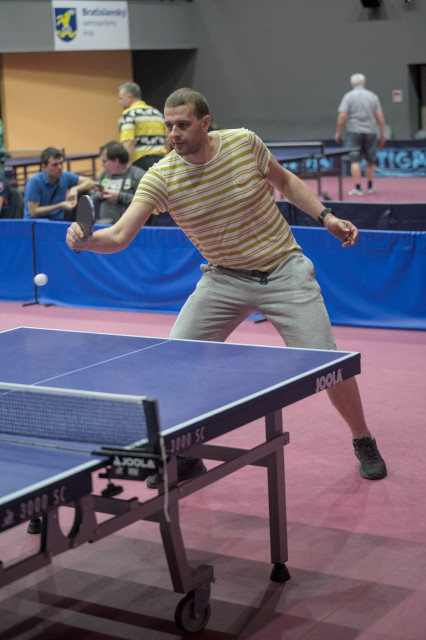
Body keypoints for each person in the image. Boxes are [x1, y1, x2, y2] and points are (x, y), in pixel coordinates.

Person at [67, 87, 387, 487]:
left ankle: (363, 439)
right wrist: (85, 241)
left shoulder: (244, 143)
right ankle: (187, 454)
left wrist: (327, 218)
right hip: (223, 278)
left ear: (204, 123)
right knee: (176, 358)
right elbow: (117, 236)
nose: (174, 133)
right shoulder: (161, 176)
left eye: (183, 124)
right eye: (169, 125)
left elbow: (286, 181)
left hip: (283, 270)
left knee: (328, 363)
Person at [335, 73, 387, 196]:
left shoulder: (348, 96)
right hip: (371, 132)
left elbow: (342, 116)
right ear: (364, 83)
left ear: (351, 84)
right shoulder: (373, 96)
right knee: (370, 161)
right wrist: (383, 134)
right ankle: (370, 186)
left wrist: (338, 132)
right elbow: (380, 116)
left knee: (355, 161)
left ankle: (358, 188)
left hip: (354, 133)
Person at [23, 147, 94, 221]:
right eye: (55, 165)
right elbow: (33, 212)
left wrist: (75, 189)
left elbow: (90, 182)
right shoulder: (34, 181)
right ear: (44, 166)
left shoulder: (65, 176)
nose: (60, 167)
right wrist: (60, 206)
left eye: (61, 163)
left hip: (57, 222)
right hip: (35, 223)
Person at [118, 82, 168, 172]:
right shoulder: (157, 114)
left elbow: (128, 142)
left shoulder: (129, 115)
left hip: (140, 165)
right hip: (162, 162)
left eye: (121, 98)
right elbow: (167, 141)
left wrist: (126, 168)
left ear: (130, 97)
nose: (119, 102)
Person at [91, 141, 145, 225]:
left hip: (129, 226)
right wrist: (99, 195)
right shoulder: (104, 175)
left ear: (116, 161)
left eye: (104, 161)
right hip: (104, 225)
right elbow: (91, 201)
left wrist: (119, 196)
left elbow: (145, 203)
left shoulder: (138, 175)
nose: (102, 164)